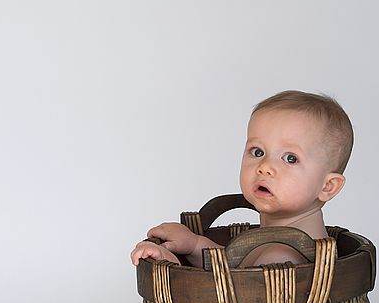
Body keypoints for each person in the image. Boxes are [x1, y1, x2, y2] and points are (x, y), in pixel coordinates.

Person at [130, 90, 353, 268]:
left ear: (327, 186)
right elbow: (232, 266)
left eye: (290, 158)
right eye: (257, 152)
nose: (265, 167)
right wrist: (196, 245)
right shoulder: (270, 240)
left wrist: (176, 269)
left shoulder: (283, 256)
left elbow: (232, 302)